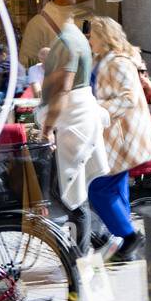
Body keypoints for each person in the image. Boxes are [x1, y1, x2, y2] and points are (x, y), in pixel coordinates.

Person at [36, 21, 110, 255]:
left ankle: (81, 255)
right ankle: (97, 241)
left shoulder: (68, 41)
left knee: (72, 196)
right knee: (72, 195)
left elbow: (64, 89)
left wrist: (47, 128)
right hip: (77, 123)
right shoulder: (73, 39)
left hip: (74, 125)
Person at [84, 18, 151, 263]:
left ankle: (129, 236)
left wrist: (97, 109)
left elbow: (128, 98)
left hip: (122, 136)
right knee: (115, 187)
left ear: (104, 36)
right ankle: (126, 241)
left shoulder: (119, 62)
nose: (89, 38)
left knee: (98, 188)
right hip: (112, 135)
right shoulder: (101, 60)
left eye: (92, 34)